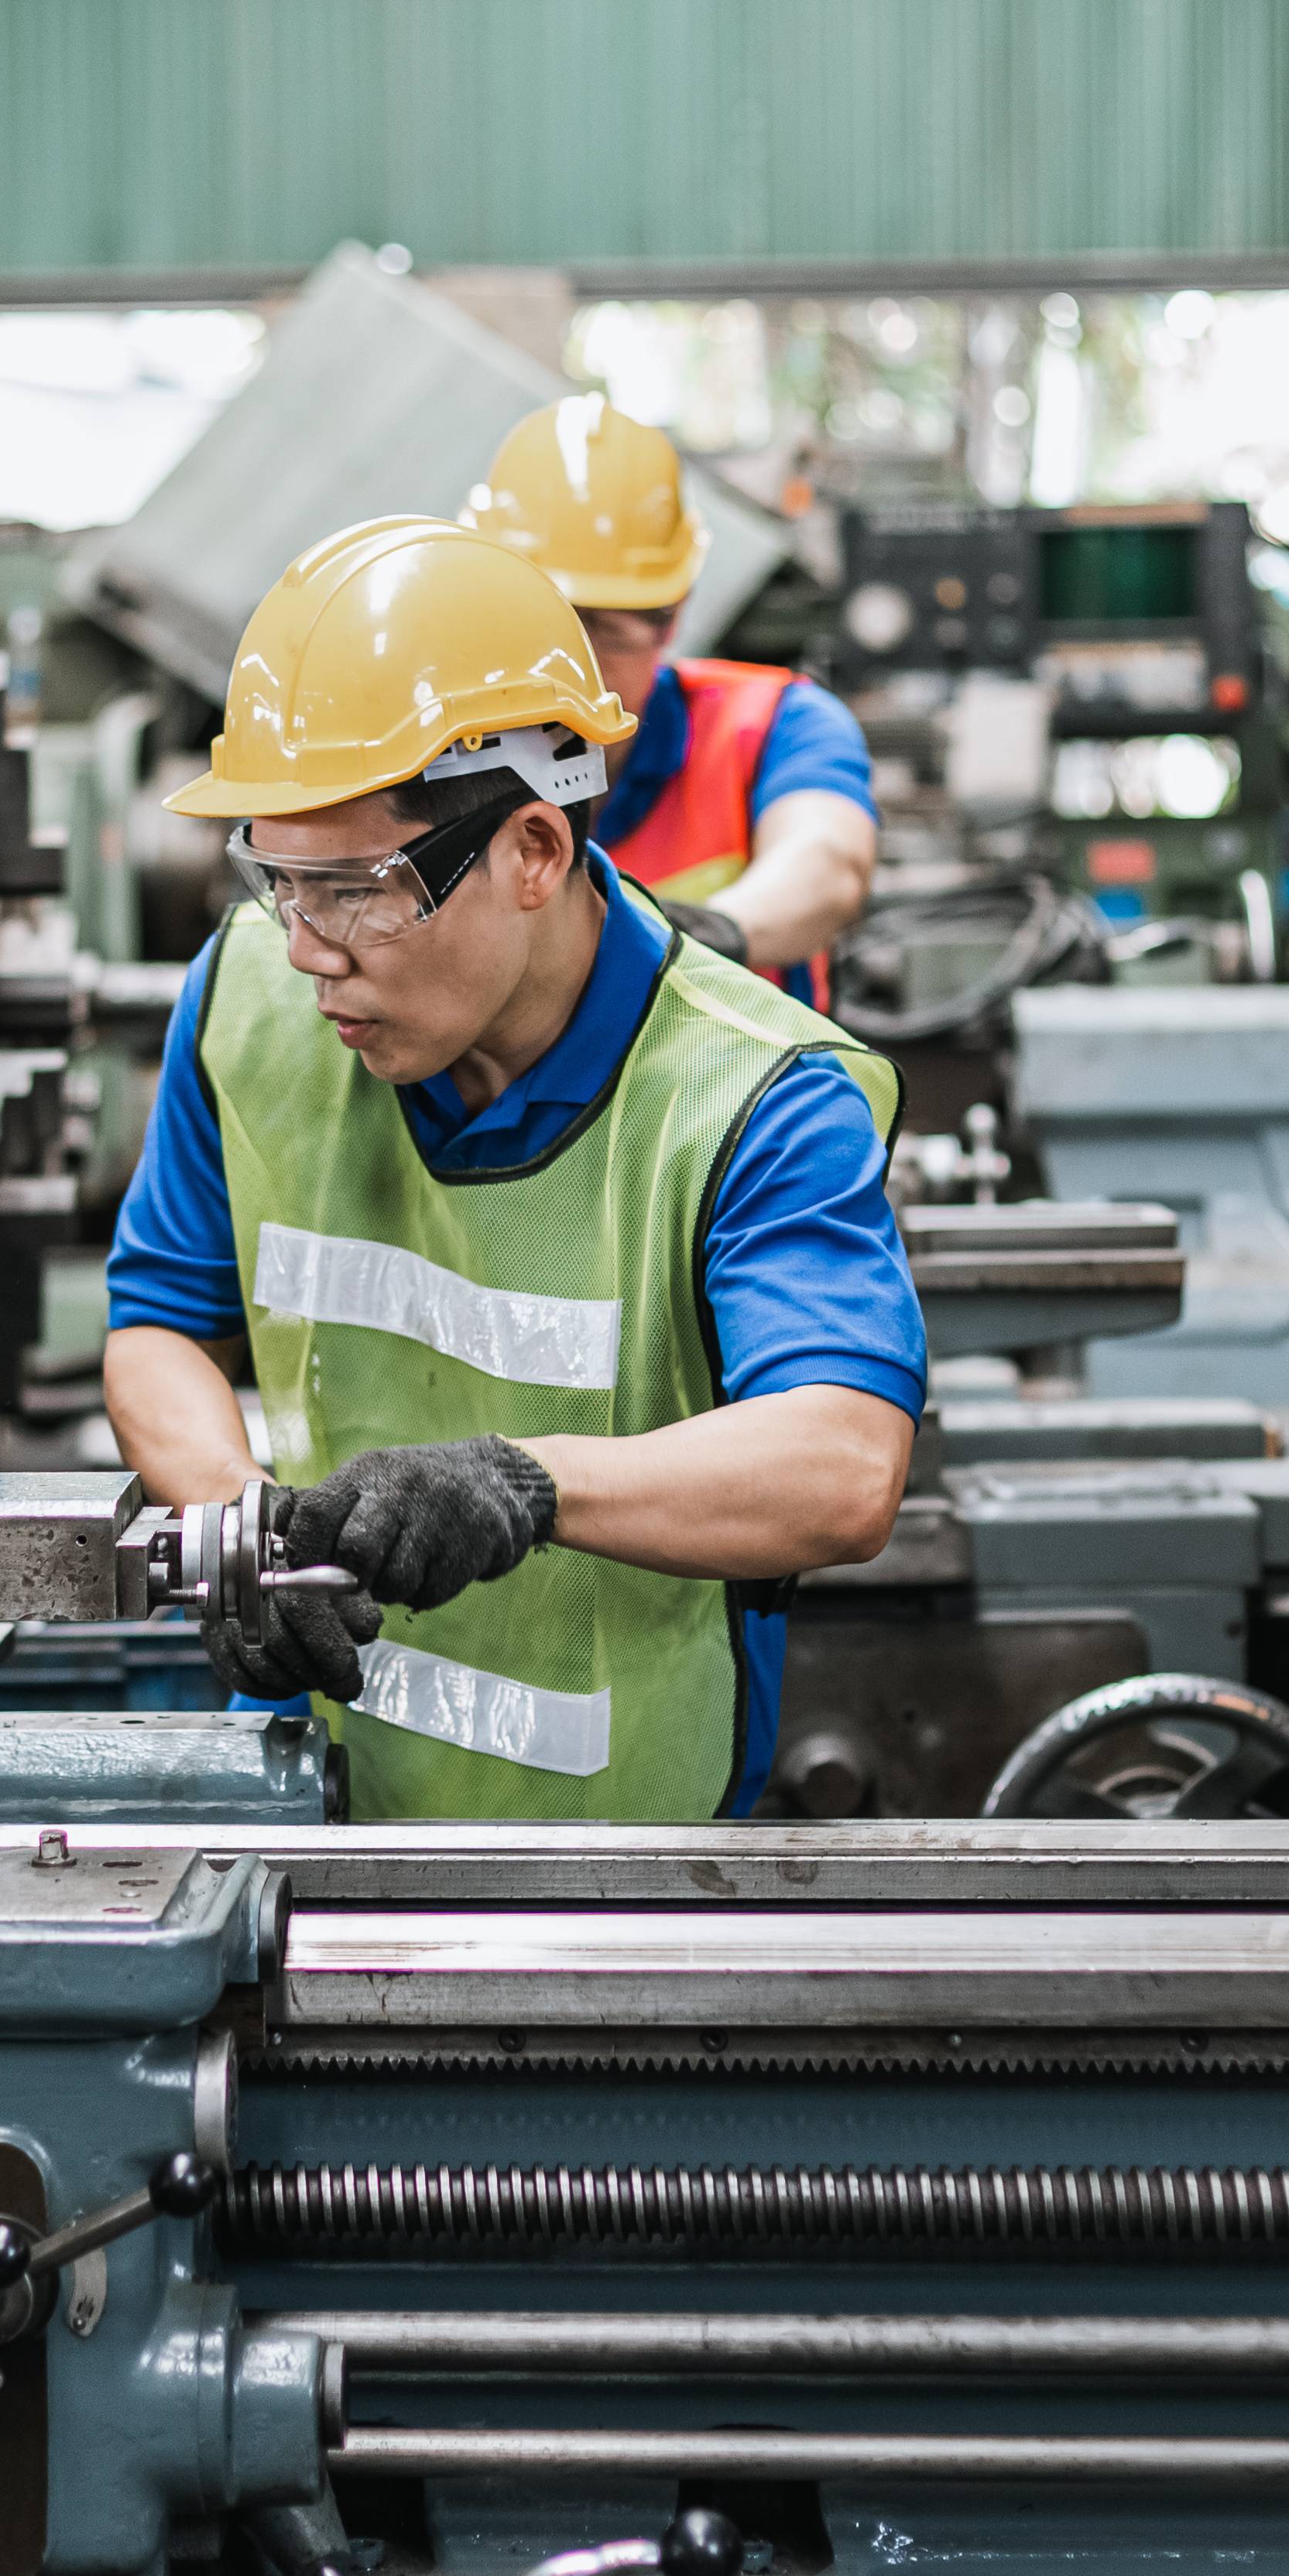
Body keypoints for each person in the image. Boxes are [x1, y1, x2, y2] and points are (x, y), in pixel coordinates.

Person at [101, 514, 927, 1821]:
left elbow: (841, 1466)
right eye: (278, 880)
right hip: (310, 1811)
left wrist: (522, 1486)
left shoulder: (753, 1095)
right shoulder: (245, 1003)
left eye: (356, 888)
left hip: (627, 1867)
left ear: (534, 851)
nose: (306, 947)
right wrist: (235, 1525)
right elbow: (155, 1324)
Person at [460, 397, 877, 1005]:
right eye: (536, 622)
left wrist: (692, 938)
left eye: (603, 628)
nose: (567, 663)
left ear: (672, 616)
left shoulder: (777, 725)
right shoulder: (434, 752)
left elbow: (828, 864)